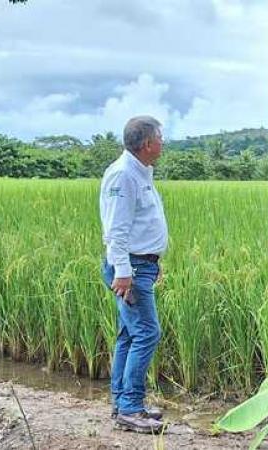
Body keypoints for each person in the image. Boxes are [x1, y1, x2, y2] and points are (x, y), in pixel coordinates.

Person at [100, 116, 168, 434]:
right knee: (147, 334)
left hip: (141, 265)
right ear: (145, 144)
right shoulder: (124, 175)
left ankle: (123, 403)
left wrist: (154, 259)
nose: (163, 142)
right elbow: (117, 230)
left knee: (129, 335)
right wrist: (125, 273)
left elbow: (141, 225)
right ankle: (130, 407)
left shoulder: (140, 172)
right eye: (159, 137)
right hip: (131, 269)